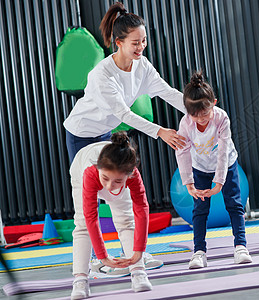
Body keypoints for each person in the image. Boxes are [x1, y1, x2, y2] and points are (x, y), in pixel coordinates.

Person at [64, 2, 186, 164]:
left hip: (105, 132)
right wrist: (160, 131)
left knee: (113, 182)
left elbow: (168, 92)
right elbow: (124, 114)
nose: (141, 46)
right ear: (119, 42)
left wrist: (200, 111)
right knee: (87, 186)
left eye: (144, 40)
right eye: (135, 43)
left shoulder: (142, 65)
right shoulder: (103, 74)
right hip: (82, 133)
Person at [175, 71, 252, 269]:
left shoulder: (221, 118)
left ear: (214, 103)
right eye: (195, 114)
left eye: (205, 113)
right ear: (187, 111)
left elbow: (223, 151)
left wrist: (219, 182)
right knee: (200, 210)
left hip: (226, 164)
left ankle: (241, 247)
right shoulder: (185, 124)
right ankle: (199, 252)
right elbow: (182, 152)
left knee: (234, 205)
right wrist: (189, 184)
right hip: (199, 167)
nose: (200, 119)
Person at [70, 132, 152, 299]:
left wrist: (139, 252)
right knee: (82, 226)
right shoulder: (90, 173)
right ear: (100, 169)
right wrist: (103, 256)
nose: (109, 186)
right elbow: (91, 218)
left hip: (113, 174)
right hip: (81, 170)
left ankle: (138, 273)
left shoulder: (132, 175)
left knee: (126, 221)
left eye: (117, 181)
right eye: (106, 178)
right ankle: (80, 280)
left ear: (128, 176)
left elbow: (141, 209)